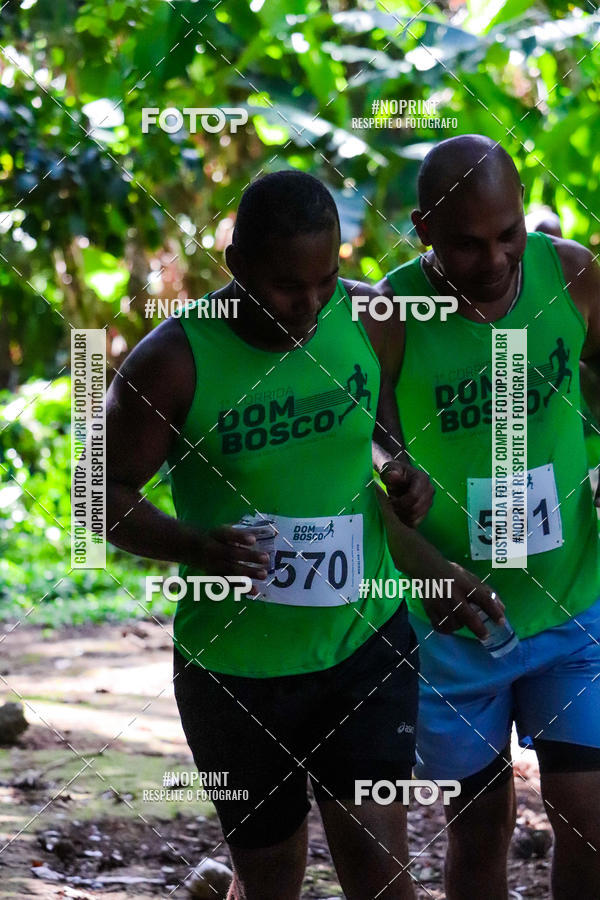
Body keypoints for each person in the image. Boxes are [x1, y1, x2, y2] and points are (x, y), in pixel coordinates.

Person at [104, 170, 434, 900]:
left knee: (383, 876)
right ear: (236, 264)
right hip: (236, 676)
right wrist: (196, 544)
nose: (311, 306)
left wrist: (401, 470)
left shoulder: (371, 316)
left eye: (327, 280)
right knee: (272, 879)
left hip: (365, 647)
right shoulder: (172, 362)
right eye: (288, 287)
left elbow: (378, 427)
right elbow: (100, 495)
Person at [365, 135, 600, 899]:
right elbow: (354, 462)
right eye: (467, 244)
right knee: (479, 825)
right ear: (422, 228)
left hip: (572, 601)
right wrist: (397, 495)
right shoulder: (388, 318)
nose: (497, 261)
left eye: (509, 234)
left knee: (588, 814)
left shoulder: (572, 275)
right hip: (456, 624)